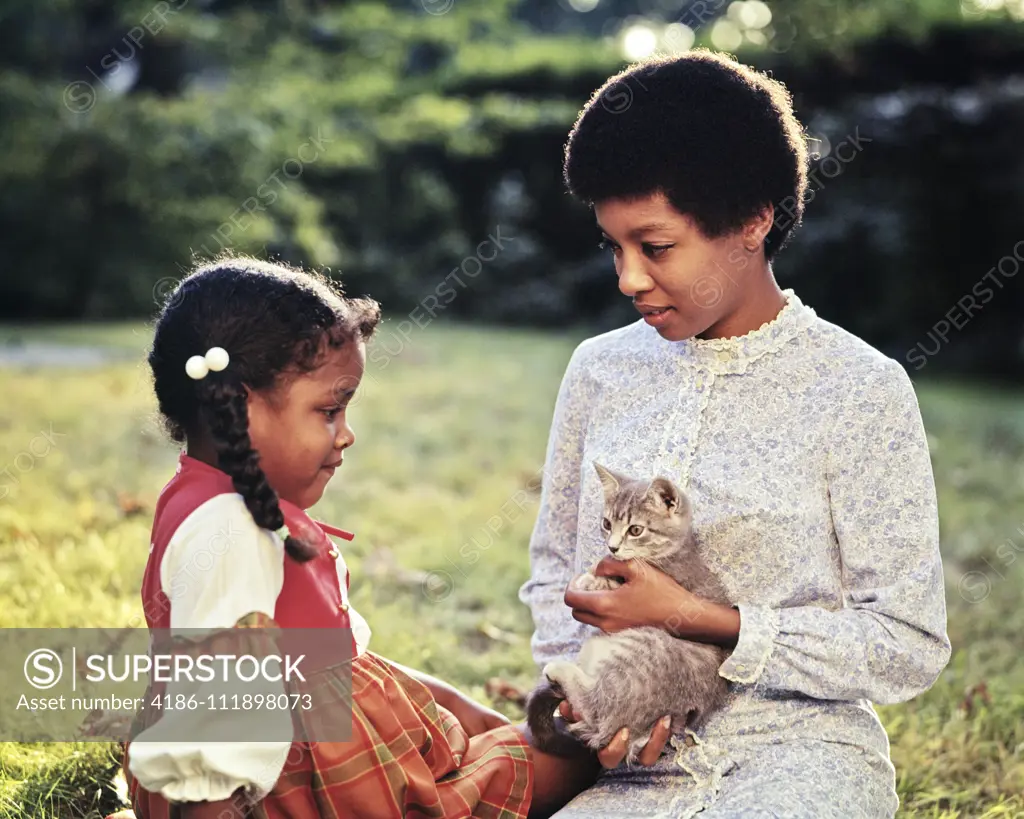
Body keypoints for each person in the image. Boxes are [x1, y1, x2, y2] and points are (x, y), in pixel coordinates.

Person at [518, 49, 952, 819]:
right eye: (613, 247)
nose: (627, 278)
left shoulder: (859, 388)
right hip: (624, 773)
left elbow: (905, 640)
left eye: (654, 247)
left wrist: (700, 618)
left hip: (798, 761)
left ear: (753, 221)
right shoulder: (598, 370)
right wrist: (587, 703)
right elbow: (557, 569)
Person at [118, 257, 604, 819]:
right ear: (245, 408)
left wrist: (472, 716)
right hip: (317, 782)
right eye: (330, 410)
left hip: (324, 742)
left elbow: (350, 658)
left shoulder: (200, 496)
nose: (346, 434)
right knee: (574, 759)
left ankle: (490, 746)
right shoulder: (231, 531)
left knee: (510, 743)